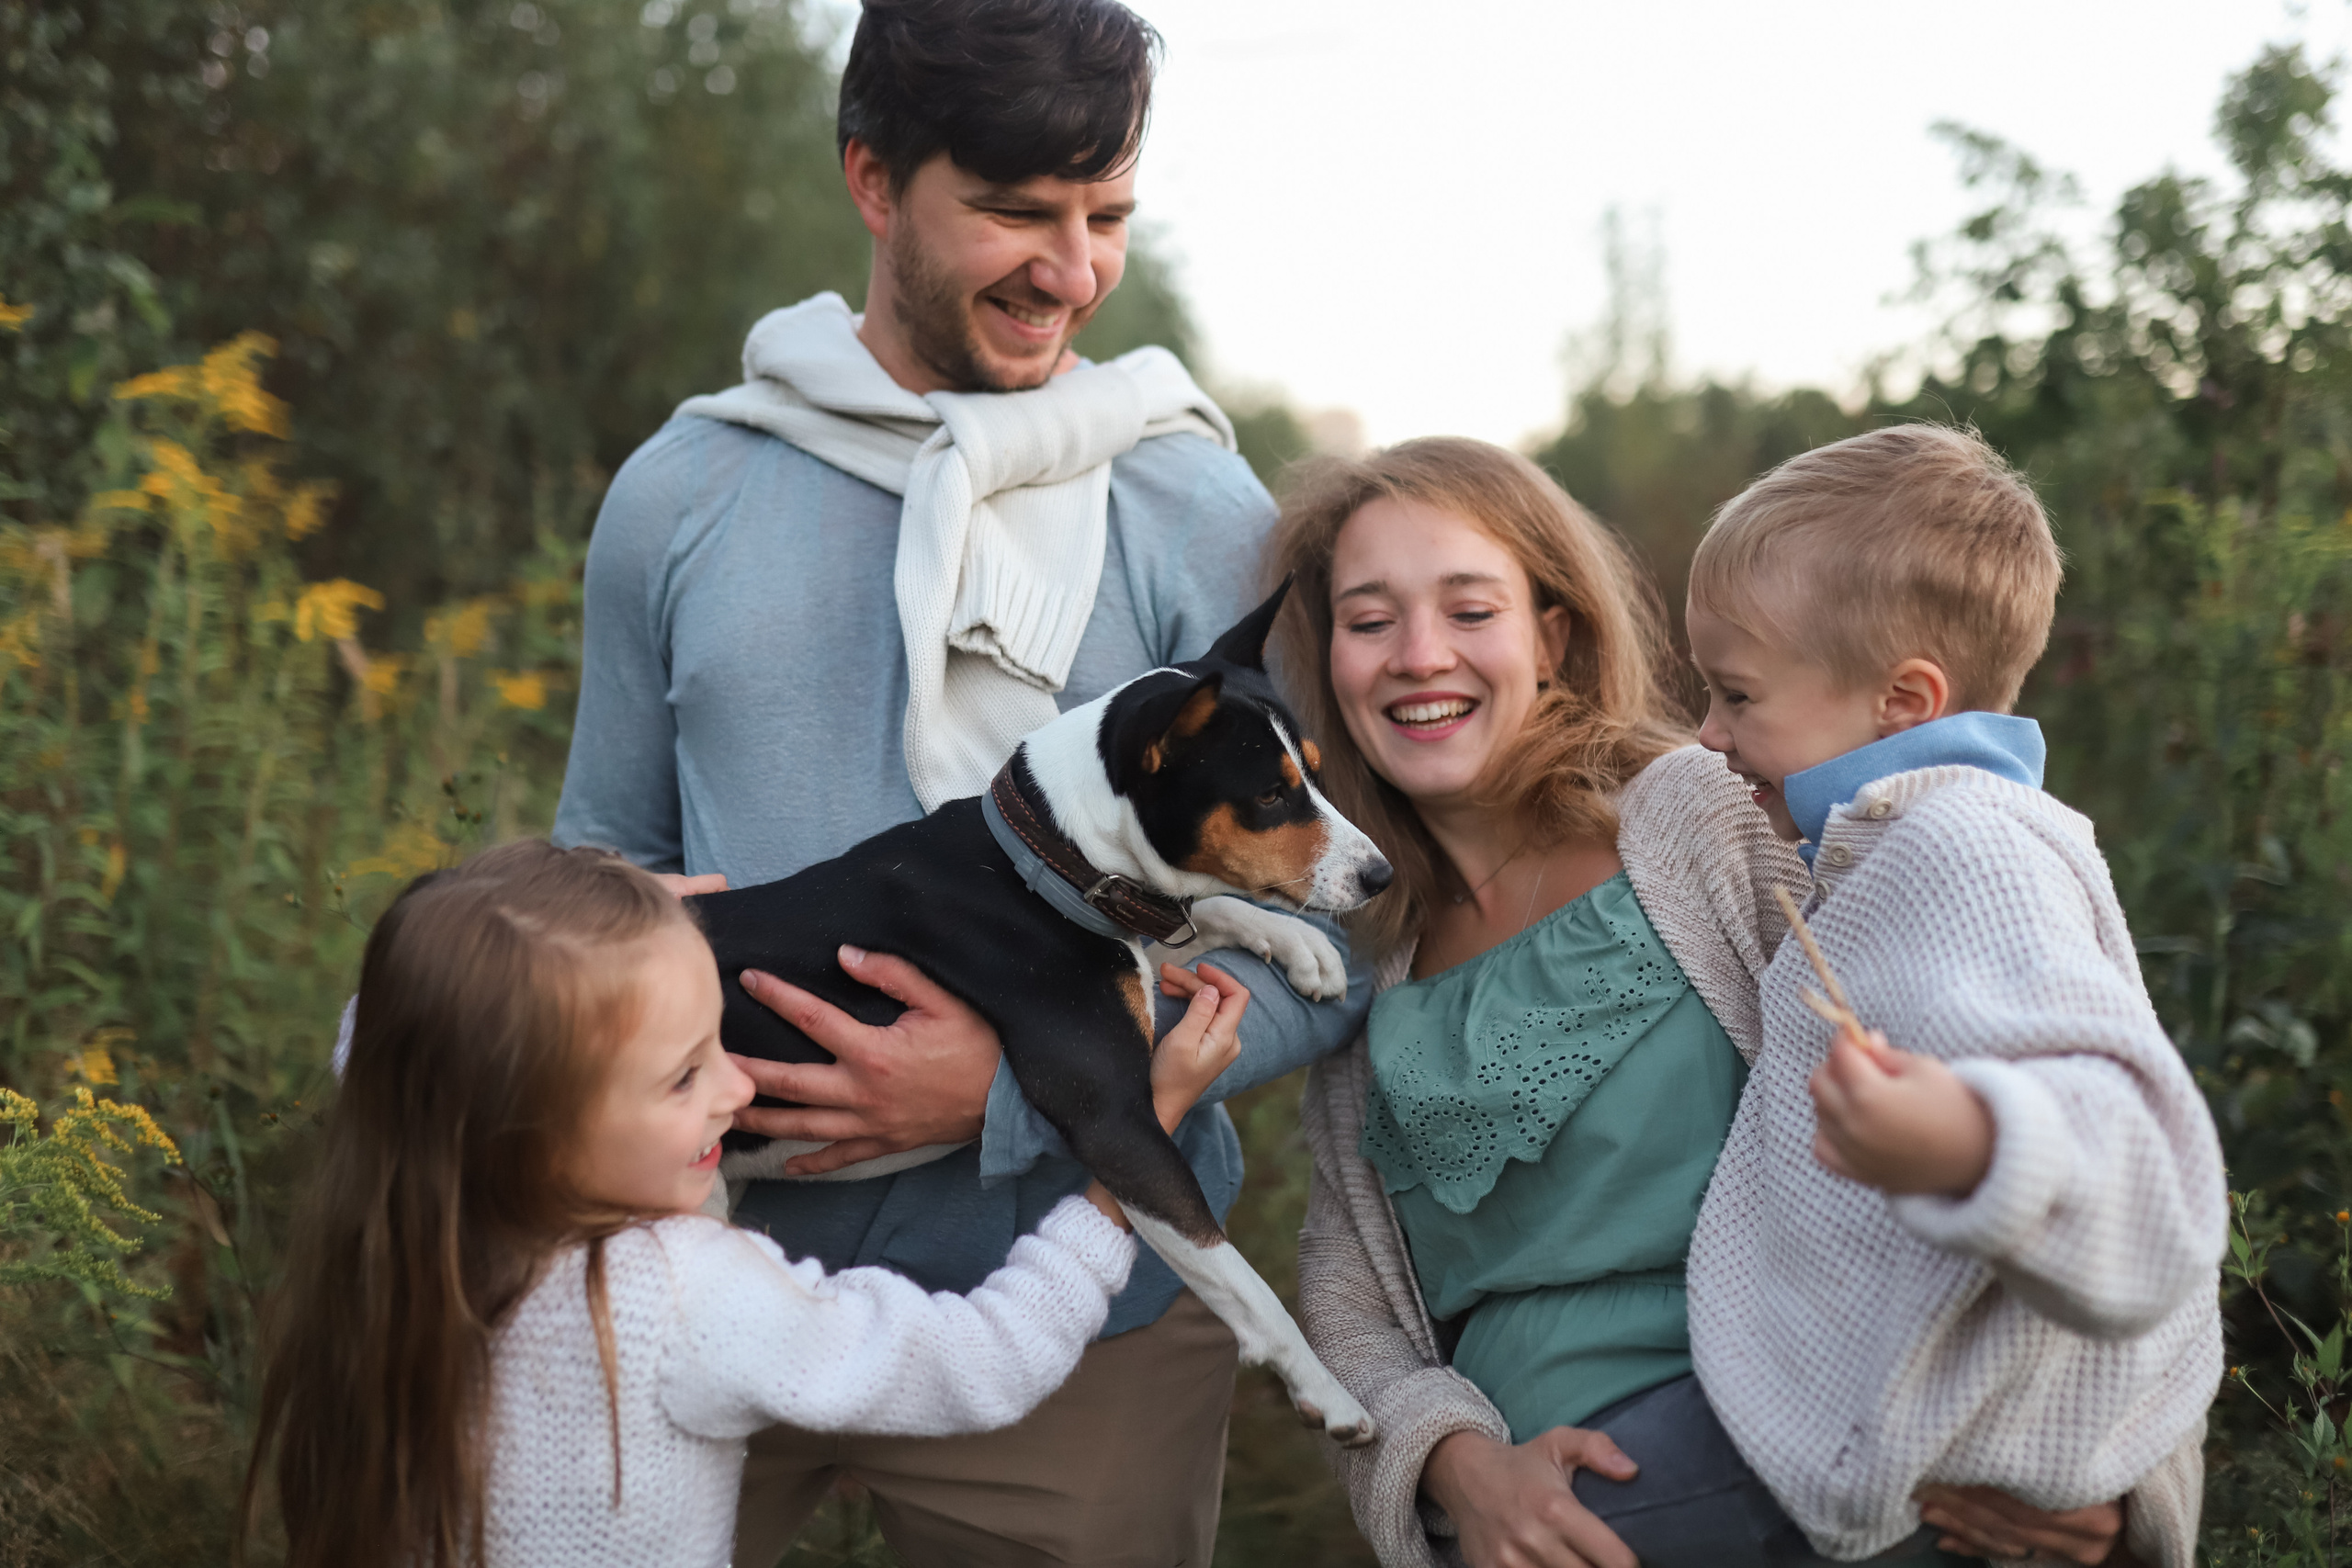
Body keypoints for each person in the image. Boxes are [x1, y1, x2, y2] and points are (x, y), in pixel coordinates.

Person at [548, 0, 1371, 1560]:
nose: (1070, 270)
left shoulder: (1192, 505)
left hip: (1090, 1320)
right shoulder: (685, 489)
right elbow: (602, 866)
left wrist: (1004, 1093)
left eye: (1106, 213)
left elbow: (1345, 953)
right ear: (873, 179)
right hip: (701, 1287)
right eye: (1013, 210)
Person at [1276, 437, 2156, 1568]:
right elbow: (1348, 1306)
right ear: (1330, 661)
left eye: (1468, 609)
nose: (1418, 655)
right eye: (1368, 620)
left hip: (1829, 1447)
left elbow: (2061, 1066)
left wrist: (2107, 1469)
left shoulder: (1709, 813)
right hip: (1552, 1523)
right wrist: (1457, 1469)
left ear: (1551, 635)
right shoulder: (1355, 959)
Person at [243, 840, 1255, 1568]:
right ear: (532, 1121)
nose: (737, 1090)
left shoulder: (422, 1239)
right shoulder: (679, 1295)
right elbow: (982, 1363)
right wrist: (1133, 1146)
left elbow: (396, 1046)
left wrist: (578, 943)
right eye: (684, 1076)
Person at [1680, 423, 2224, 1567]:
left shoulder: (1968, 849)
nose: (1708, 735)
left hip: (1960, 1511)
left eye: (1735, 696)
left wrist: (1970, 1141)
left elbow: (2147, 1178)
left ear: (1901, 702)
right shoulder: (1883, 843)